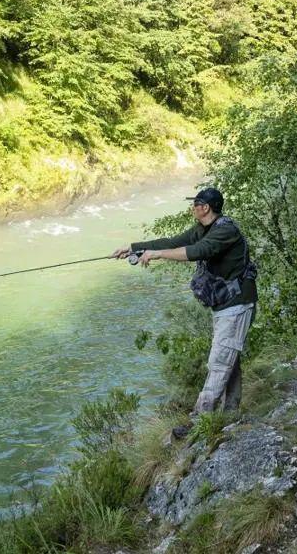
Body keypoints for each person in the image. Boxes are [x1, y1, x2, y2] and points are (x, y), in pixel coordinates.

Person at [111, 187, 256, 437]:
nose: (192, 208)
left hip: (237, 305)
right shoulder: (203, 229)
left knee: (219, 361)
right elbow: (173, 242)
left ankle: (200, 422)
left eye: (195, 204)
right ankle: (231, 414)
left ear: (205, 208)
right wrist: (134, 248)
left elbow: (197, 252)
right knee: (229, 359)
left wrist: (157, 255)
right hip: (226, 305)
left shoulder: (225, 230)